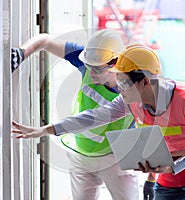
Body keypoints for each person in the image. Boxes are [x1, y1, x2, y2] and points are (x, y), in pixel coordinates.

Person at [13, 44, 185, 200]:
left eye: (124, 83)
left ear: (145, 81)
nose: (119, 89)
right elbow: (94, 117)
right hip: (173, 158)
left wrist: (176, 167)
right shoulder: (129, 100)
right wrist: (47, 129)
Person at [11, 29, 144, 200]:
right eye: (88, 66)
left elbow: (94, 118)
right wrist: (21, 54)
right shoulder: (88, 59)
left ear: (115, 63)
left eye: (97, 69)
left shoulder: (132, 90)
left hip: (116, 158)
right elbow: (45, 41)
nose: (91, 72)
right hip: (81, 153)